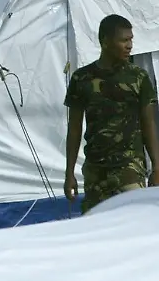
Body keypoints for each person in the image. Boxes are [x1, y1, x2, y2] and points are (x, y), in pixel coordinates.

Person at [64, 14, 159, 213]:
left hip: (130, 168)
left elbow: (149, 124)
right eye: (124, 40)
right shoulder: (81, 79)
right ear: (105, 41)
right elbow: (74, 129)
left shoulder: (138, 77)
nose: (130, 45)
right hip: (95, 170)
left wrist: (157, 167)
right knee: (96, 228)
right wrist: (69, 172)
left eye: (131, 39)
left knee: (135, 222)